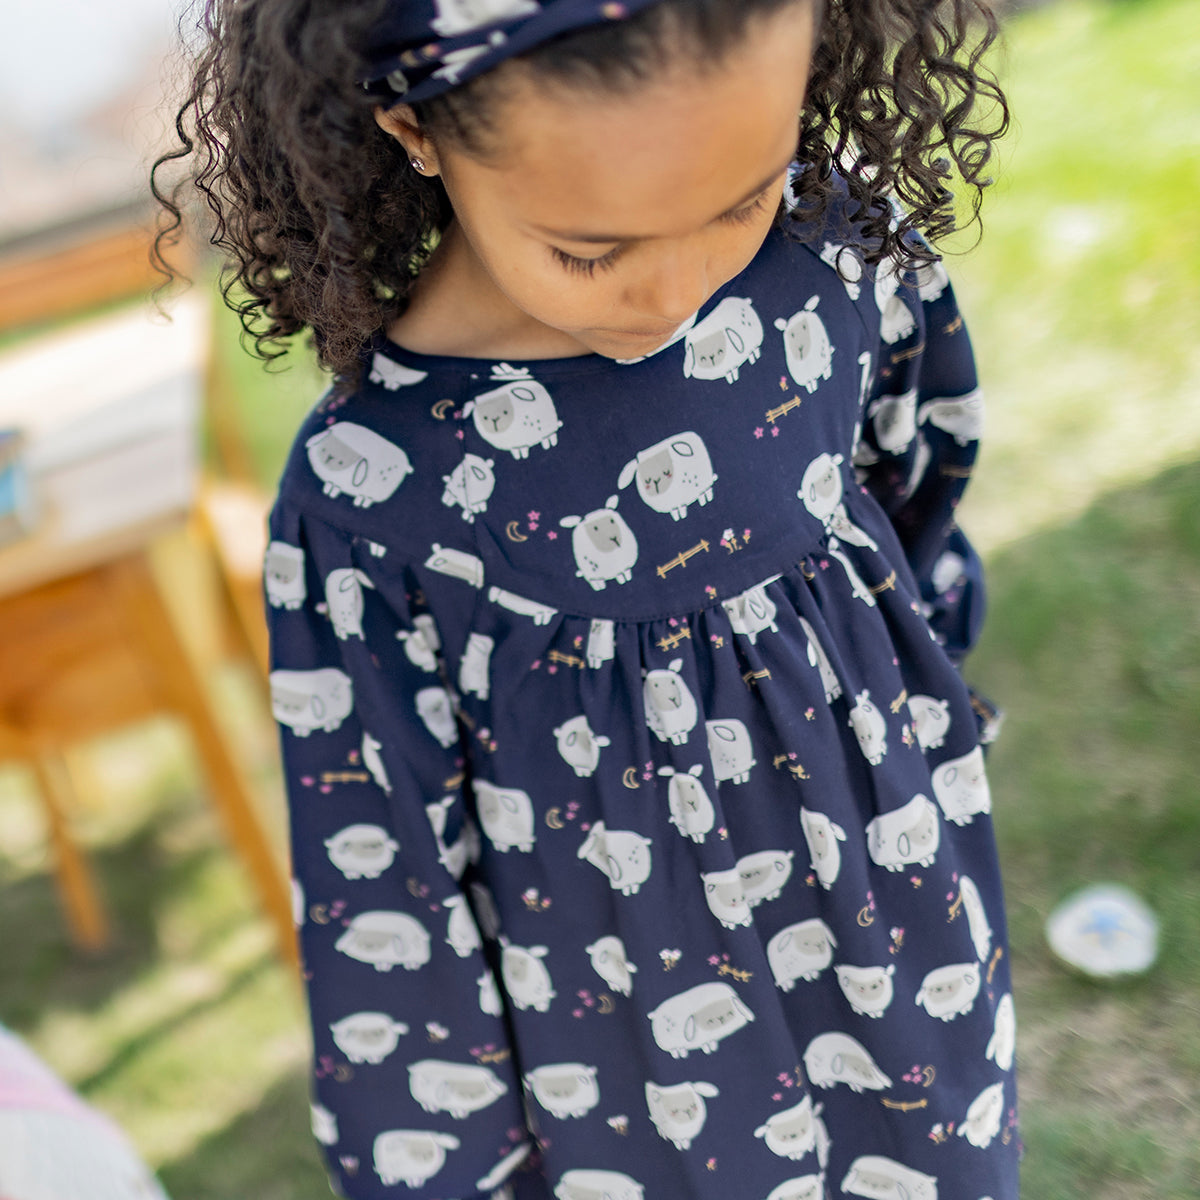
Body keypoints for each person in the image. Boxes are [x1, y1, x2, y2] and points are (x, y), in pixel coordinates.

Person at [155, 2, 1016, 1197]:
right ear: (412, 128)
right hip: (626, 1061)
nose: (675, 293)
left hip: (896, 945)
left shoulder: (842, 258)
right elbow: (382, 877)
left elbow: (917, 488)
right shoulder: (369, 492)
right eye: (591, 251)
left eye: (739, 201)